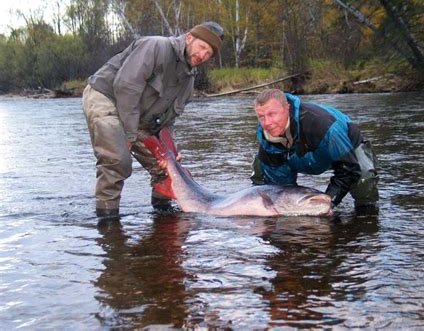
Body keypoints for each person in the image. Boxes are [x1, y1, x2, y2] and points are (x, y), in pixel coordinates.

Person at [82, 21, 224, 219]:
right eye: (202, 47)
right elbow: (125, 86)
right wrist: (130, 135)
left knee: (168, 171)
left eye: (209, 53)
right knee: (118, 160)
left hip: (138, 115)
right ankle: (107, 220)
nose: (203, 55)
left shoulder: (188, 81)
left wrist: (170, 152)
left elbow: (167, 121)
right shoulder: (156, 46)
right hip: (106, 97)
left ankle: (163, 217)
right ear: (190, 38)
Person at [250, 88, 379, 210]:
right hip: (296, 155)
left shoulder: (325, 127)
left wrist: (330, 202)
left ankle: (366, 217)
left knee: (363, 182)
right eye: (261, 117)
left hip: (345, 149)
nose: (267, 123)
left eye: (272, 114)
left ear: (287, 108)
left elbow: (348, 169)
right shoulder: (267, 141)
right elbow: (281, 188)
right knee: (269, 191)